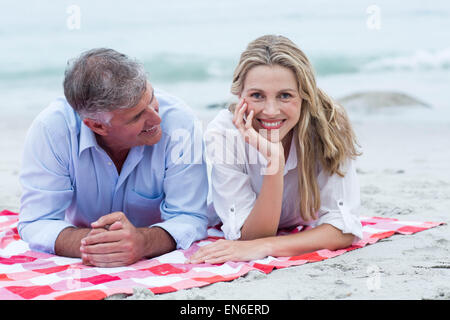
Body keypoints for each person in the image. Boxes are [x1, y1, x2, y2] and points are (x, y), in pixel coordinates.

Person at [19, 48, 211, 267]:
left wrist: (143, 242)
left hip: (153, 240)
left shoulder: (180, 123)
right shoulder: (51, 130)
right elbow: (37, 221)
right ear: (97, 126)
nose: (156, 118)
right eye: (138, 116)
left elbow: (190, 216)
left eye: (151, 98)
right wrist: (101, 245)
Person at [189, 35, 363, 264]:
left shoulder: (329, 125)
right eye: (257, 95)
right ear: (239, 95)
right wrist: (274, 163)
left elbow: (344, 228)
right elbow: (249, 237)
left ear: (304, 95)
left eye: (285, 95)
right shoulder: (224, 134)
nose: (271, 111)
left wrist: (268, 246)